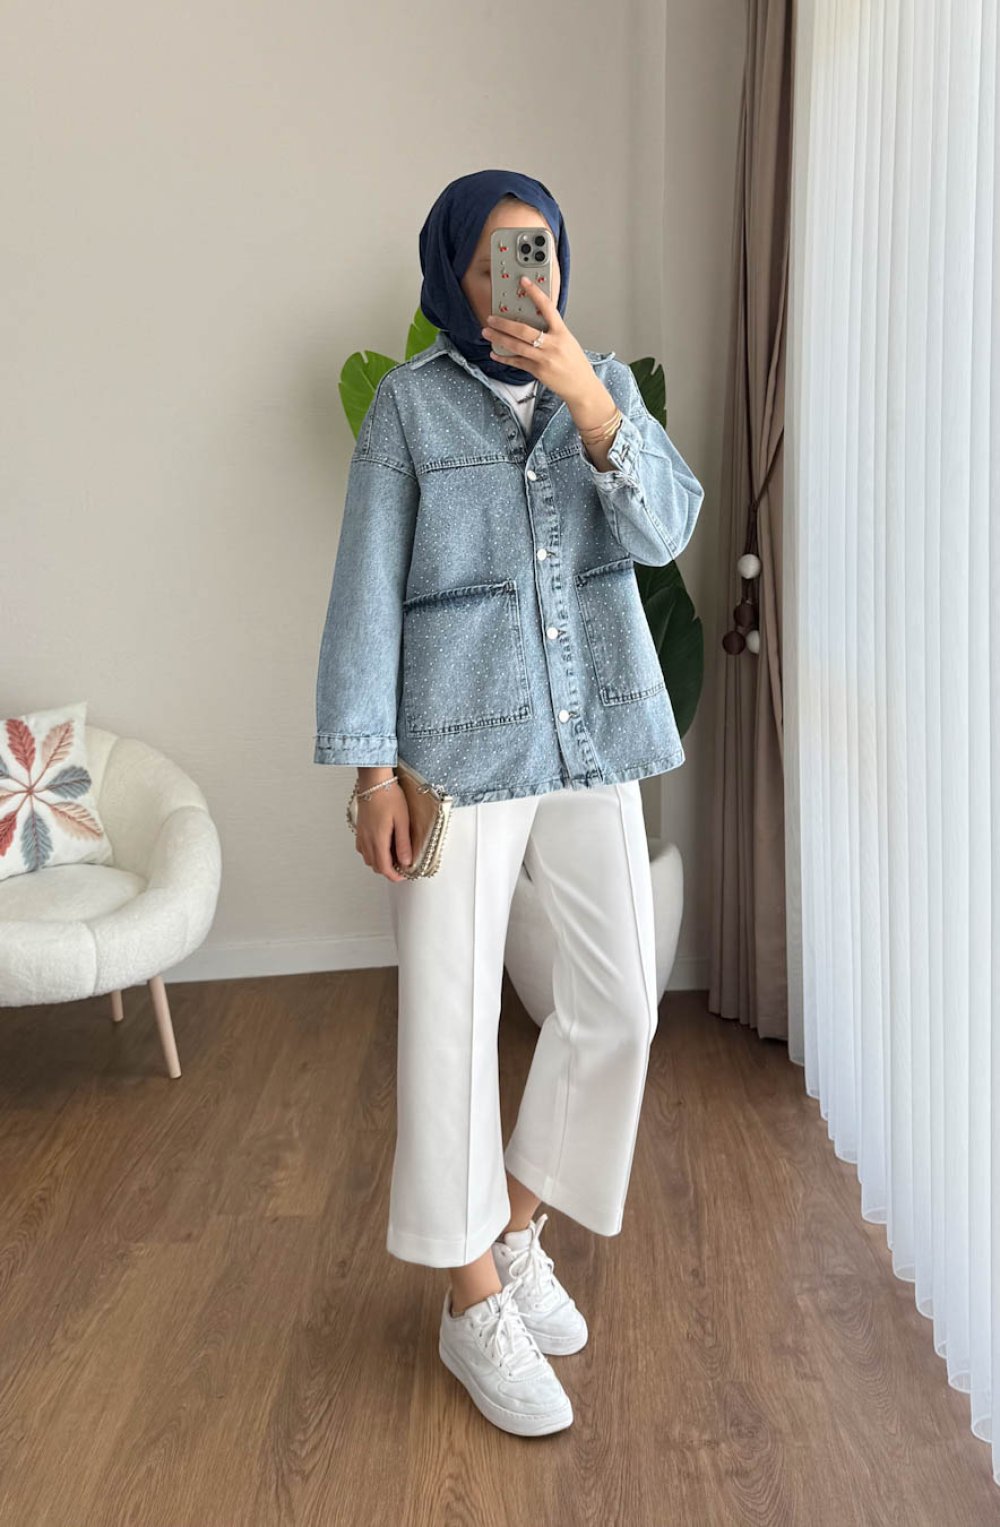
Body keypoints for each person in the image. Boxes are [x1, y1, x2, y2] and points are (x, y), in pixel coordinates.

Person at [313, 169, 705, 1437]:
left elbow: (664, 532)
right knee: (448, 1021)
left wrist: (590, 400)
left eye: (534, 252)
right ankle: (470, 1298)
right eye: (491, 258)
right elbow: (364, 593)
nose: (517, 280)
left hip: (594, 737)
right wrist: (371, 771)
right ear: (452, 271)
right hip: (453, 753)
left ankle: (516, 1229)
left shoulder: (607, 390)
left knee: (619, 1001)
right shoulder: (409, 408)